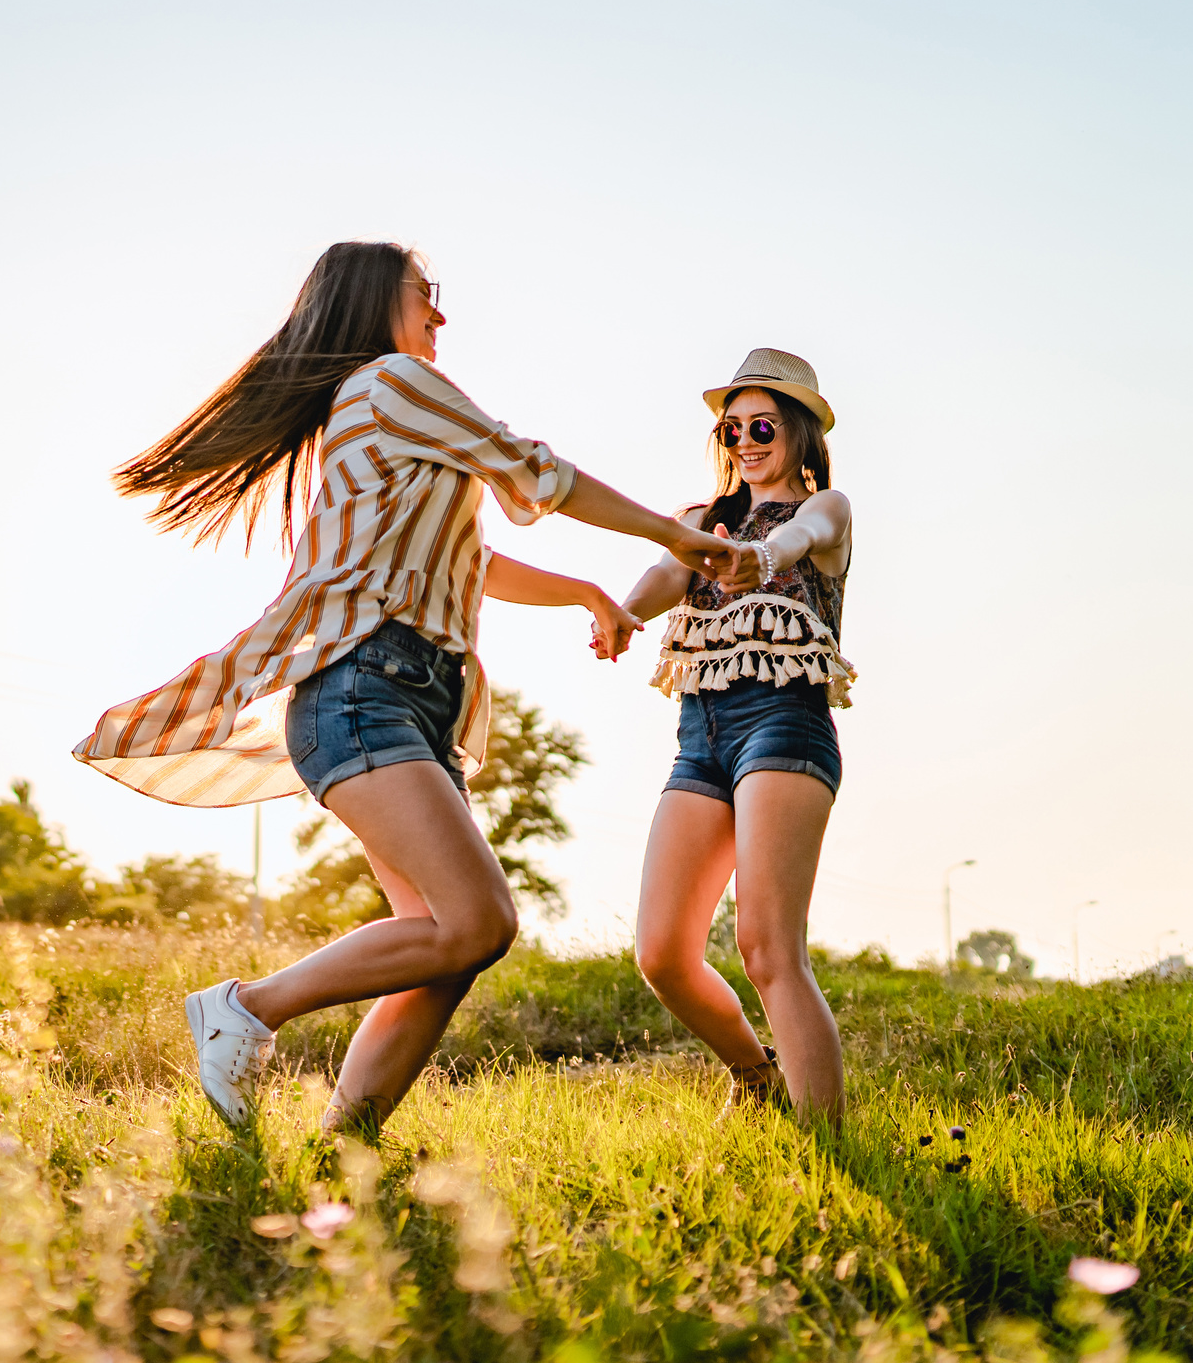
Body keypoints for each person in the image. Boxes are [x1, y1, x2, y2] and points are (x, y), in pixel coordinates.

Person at [75, 242, 756, 1134]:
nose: (440, 314)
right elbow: (534, 468)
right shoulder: (393, 382)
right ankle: (244, 1007)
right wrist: (670, 535)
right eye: (425, 294)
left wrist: (584, 592)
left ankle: (343, 1148)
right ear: (375, 300)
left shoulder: (388, 411)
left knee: (440, 948)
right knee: (478, 922)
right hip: (364, 690)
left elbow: (471, 560)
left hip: (412, 702)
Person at [612, 348, 854, 1125]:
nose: (745, 440)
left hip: (784, 721)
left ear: (800, 435)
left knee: (766, 945)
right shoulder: (700, 521)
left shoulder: (827, 510)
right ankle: (756, 1079)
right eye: (733, 428)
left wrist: (761, 554)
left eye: (762, 425)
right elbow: (661, 580)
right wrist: (620, 613)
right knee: (662, 954)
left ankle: (827, 1147)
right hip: (702, 735)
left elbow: (804, 534)